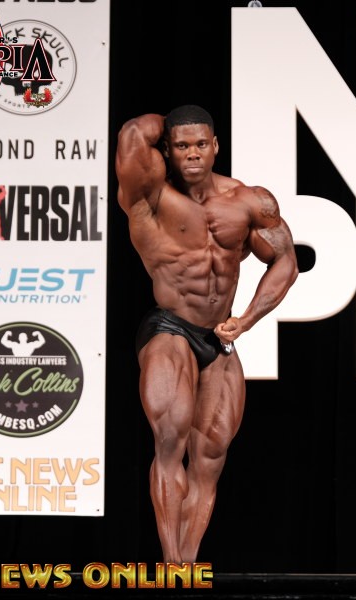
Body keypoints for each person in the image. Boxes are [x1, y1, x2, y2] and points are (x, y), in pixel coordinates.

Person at [115, 105, 298, 563]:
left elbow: (286, 261)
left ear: (216, 146)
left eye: (201, 144)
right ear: (167, 150)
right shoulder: (150, 196)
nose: (193, 153)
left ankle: (188, 567)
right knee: (170, 441)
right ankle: (170, 565)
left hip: (219, 336)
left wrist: (247, 319)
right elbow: (133, 133)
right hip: (170, 327)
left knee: (211, 457)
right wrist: (163, 125)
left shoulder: (249, 200)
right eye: (181, 146)